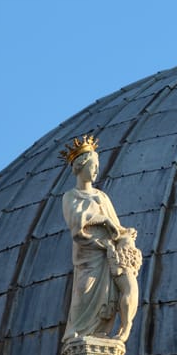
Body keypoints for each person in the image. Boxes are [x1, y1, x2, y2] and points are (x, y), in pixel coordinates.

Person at [61, 134, 142, 342]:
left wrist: (124, 233)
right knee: (83, 292)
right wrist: (102, 220)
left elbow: (116, 226)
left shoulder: (102, 197)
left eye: (97, 165)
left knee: (105, 292)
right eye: (93, 165)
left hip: (105, 253)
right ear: (81, 166)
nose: (96, 170)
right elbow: (76, 222)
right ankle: (78, 332)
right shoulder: (70, 196)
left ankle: (98, 331)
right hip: (87, 253)